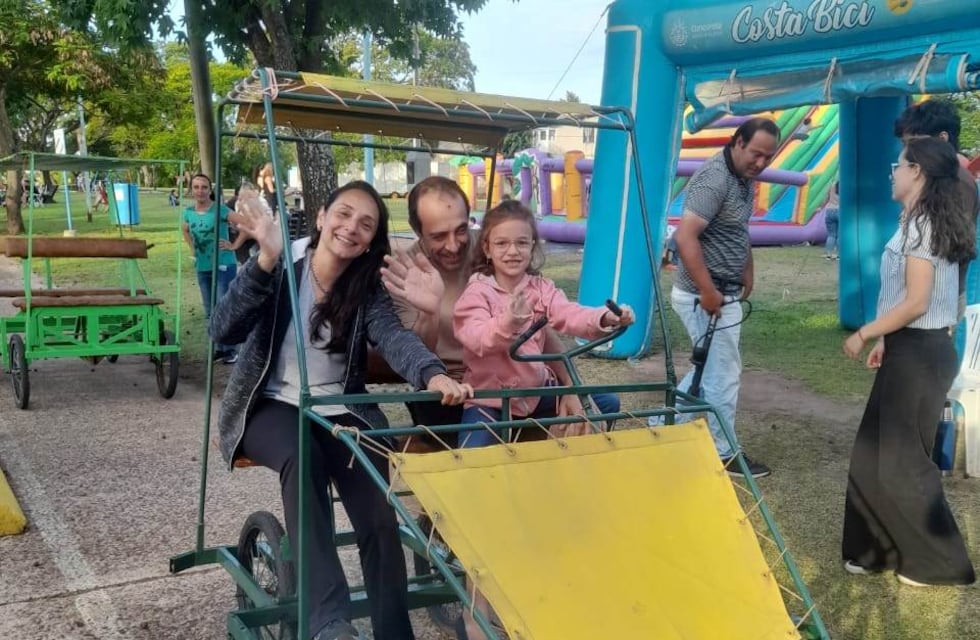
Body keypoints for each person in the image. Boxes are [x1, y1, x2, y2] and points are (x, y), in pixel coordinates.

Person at [211, 180, 473, 640]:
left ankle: (394, 632)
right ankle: (329, 622)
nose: (351, 228)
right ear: (321, 217)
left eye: (366, 224)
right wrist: (266, 259)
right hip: (270, 404)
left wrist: (433, 373)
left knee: (378, 512)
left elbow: (393, 338)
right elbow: (222, 331)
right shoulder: (280, 262)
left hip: (339, 408)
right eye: (344, 214)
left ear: (372, 239)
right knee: (301, 454)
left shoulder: (364, 287)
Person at [450, 199, 633, 640]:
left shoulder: (541, 288)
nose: (513, 251)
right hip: (492, 407)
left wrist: (605, 319)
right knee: (474, 496)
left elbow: (570, 316)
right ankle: (474, 610)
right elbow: (475, 339)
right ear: (487, 249)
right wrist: (508, 323)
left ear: (533, 248)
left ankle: (566, 496)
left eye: (522, 243)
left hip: (535, 399)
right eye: (503, 243)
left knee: (605, 404)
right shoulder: (476, 294)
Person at [379, 177, 619, 446]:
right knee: (474, 447)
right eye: (438, 236)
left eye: (460, 229)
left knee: (603, 405)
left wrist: (570, 384)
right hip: (463, 390)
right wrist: (431, 313)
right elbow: (433, 350)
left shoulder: (499, 246)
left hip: (527, 386)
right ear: (417, 230)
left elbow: (547, 322)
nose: (454, 245)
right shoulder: (410, 276)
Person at [840, 136, 976, 588]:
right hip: (909, 347)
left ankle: (942, 564)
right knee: (871, 454)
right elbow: (913, 296)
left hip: (921, 352)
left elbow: (918, 301)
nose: (893, 172)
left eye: (899, 165)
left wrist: (866, 333)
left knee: (902, 462)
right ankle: (872, 550)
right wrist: (887, 338)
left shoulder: (923, 227)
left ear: (916, 170)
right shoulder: (916, 220)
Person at [668, 117, 779, 479]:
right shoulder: (714, 179)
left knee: (708, 369)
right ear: (737, 142)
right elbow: (685, 239)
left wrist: (747, 267)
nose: (761, 163)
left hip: (722, 290)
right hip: (704, 295)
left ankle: (663, 424)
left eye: (768, 157)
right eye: (756, 154)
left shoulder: (743, 178)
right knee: (724, 373)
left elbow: (736, 229)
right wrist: (708, 291)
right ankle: (724, 452)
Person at [181, 173, 239, 364]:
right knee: (210, 310)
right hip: (203, 266)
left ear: (210, 190)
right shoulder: (188, 212)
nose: (200, 191)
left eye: (204, 187)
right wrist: (192, 248)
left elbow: (248, 225)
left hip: (223, 265)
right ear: (192, 190)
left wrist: (234, 245)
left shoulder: (220, 210)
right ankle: (219, 348)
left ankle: (230, 349)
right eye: (196, 187)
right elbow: (185, 229)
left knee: (224, 306)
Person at [823, 182, 840, 260]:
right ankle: (839, 255)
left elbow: (826, 198)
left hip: (829, 210)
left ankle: (828, 255)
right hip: (841, 210)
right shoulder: (847, 186)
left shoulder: (832, 185)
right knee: (840, 235)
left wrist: (820, 207)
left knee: (831, 235)